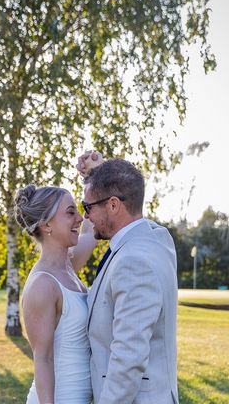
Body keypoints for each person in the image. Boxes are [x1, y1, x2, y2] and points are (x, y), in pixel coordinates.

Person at [77, 152, 179, 404]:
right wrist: (100, 174)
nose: (86, 217)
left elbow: (128, 359)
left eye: (87, 207)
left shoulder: (134, 261)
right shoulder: (157, 239)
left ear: (113, 205)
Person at [14, 184, 98, 404]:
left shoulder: (69, 265)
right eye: (71, 212)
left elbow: (90, 231)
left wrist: (92, 177)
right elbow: (43, 358)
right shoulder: (43, 284)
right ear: (46, 224)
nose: (80, 218)